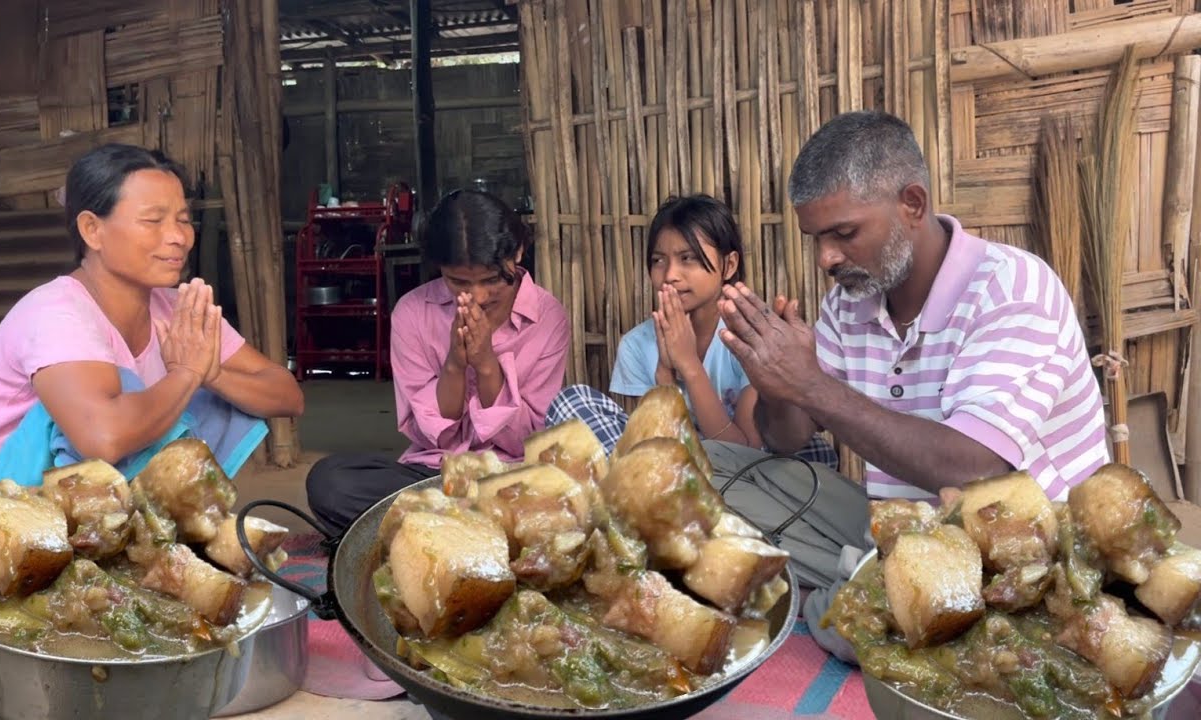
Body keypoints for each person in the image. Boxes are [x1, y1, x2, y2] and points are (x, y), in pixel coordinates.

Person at [716, 110, 1108, 659]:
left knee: (840, 625)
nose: (826, 257)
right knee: (712, 468)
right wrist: (778, 382)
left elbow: (975, 466)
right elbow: (785, 438)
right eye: (816, 238)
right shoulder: (848, 302)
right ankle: (865, 584)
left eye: (844, 233)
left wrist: (811, 385)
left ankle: (861, 596)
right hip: (903, 530)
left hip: (1025, 554)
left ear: (913, 204)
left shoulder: (1013, 288)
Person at [0, 144, 305, 558]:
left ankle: (156, 533)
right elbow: (102, 438)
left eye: (182, 219)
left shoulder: (177, 309)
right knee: (124, 391)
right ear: (92, 230)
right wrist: (187, 374)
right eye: (153, 221)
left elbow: (286, 395)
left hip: (73, 513)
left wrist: (209, 373)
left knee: (220, 395)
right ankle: (121, 548)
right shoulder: (57, 311)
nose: (177, 237)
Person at [305, 190, 570, 538]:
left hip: (513, 480)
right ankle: (479, 530)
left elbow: (531, 440)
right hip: (434, 477)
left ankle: (437, 531)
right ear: (438, 268)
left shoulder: (548, 316)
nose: (477, 296)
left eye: (491, 279)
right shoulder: (413, 313)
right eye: (458, 282)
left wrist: (487, 365)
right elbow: (429, 437)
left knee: (566, 497)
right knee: (332, 482)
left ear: (518, 252)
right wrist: (455, 366)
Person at [546, 194, 838, 467]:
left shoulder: (749, 339)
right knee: (573, 403)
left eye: (688, 258)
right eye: (658, 260)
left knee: (812, 453)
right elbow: (648, 446)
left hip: (744, 473)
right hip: (672, 476)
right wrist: (664, 375)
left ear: (729, 265)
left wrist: (690, 366)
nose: (670, 275)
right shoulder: (636, 345)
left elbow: (745, 453)